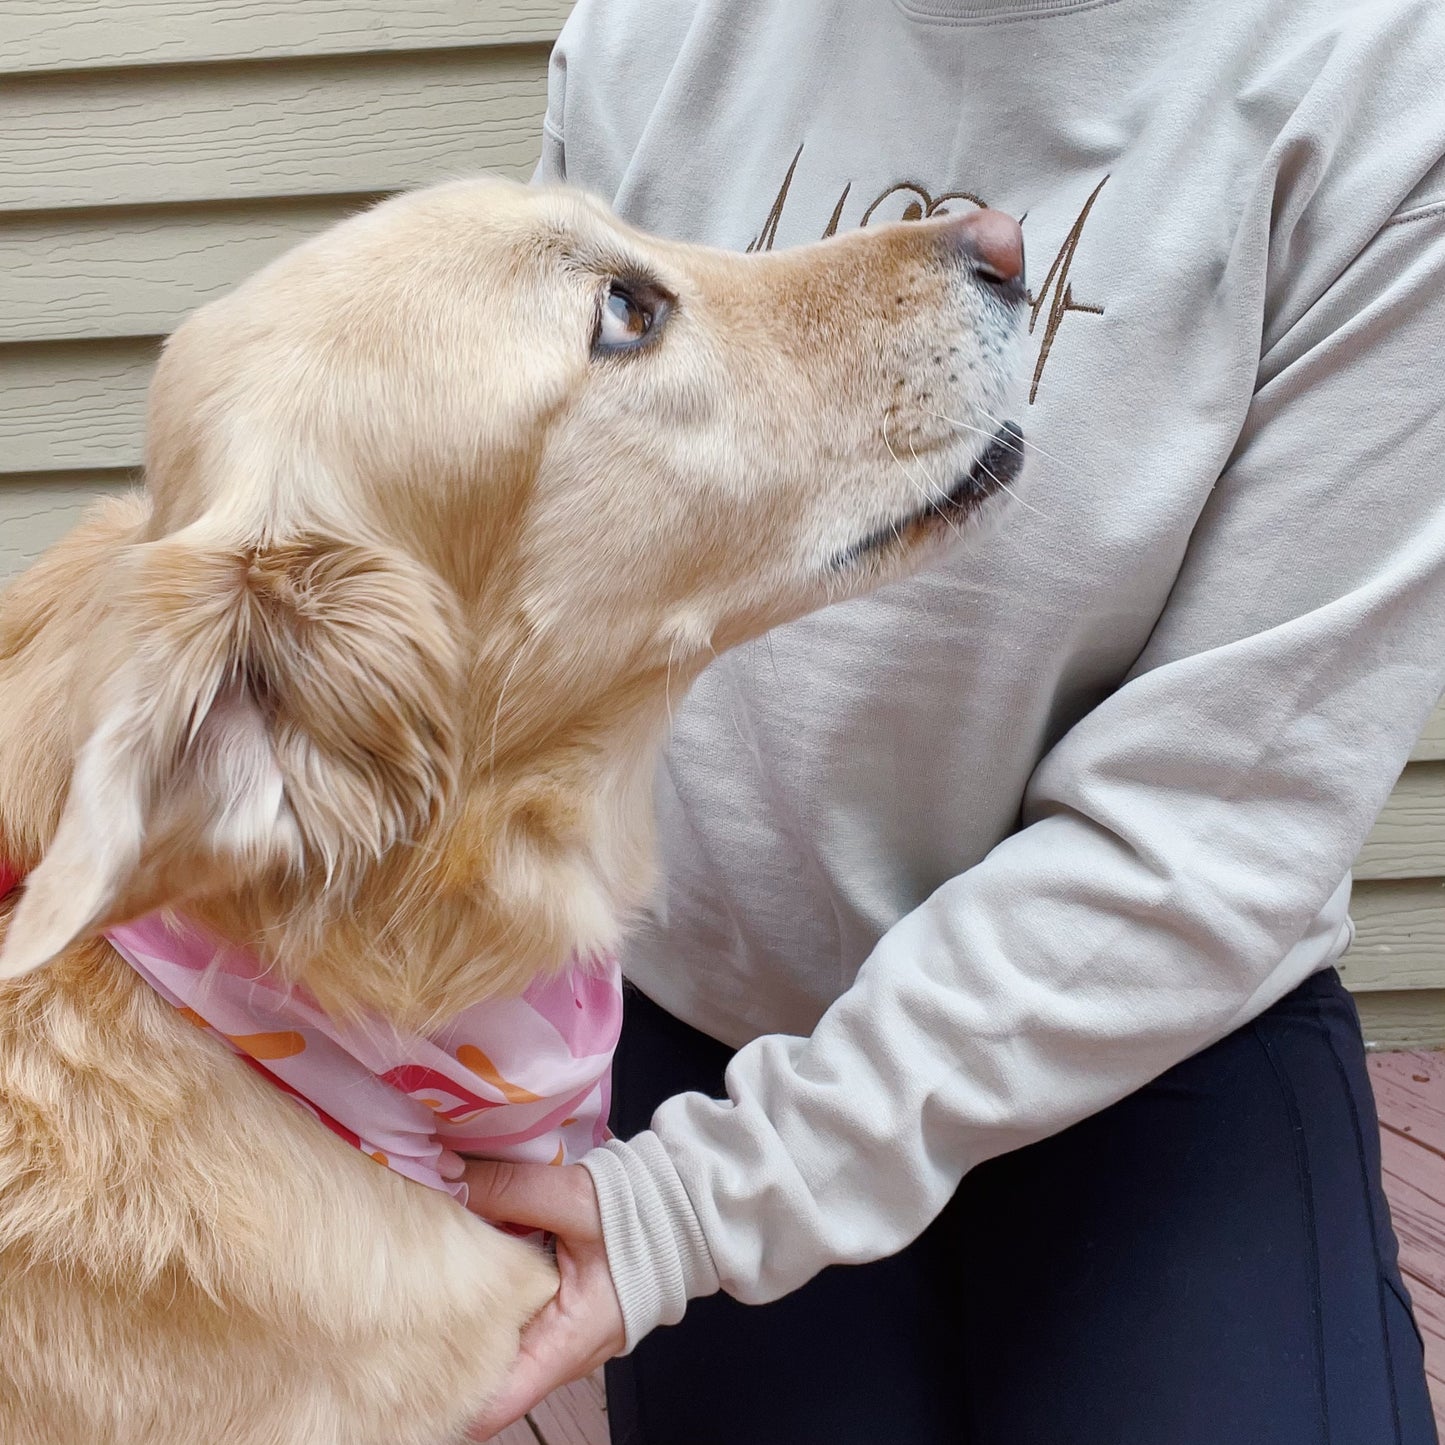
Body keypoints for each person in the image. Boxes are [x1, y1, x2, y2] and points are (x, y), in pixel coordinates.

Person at [463, 0, 1445, 1440]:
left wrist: (704, 1205)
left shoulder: (1373, 75)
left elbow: (1219, 815)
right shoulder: (646, 38)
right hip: (716, 1012)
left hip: (1150, 1030)